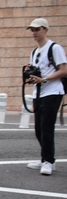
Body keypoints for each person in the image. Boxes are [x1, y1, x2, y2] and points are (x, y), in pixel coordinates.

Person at [24, 18, 67, 176]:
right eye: (32, 30)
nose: (34, 32)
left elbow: (63, 70)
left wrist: (45, 79)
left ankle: (48, 161)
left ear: (45, 30)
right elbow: (37, 73)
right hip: (39, 93)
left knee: (46, 129)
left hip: (53, 92)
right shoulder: (35, 52)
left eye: (37, 29)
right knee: (38, 129)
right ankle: (45, 159)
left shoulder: (54, 48)